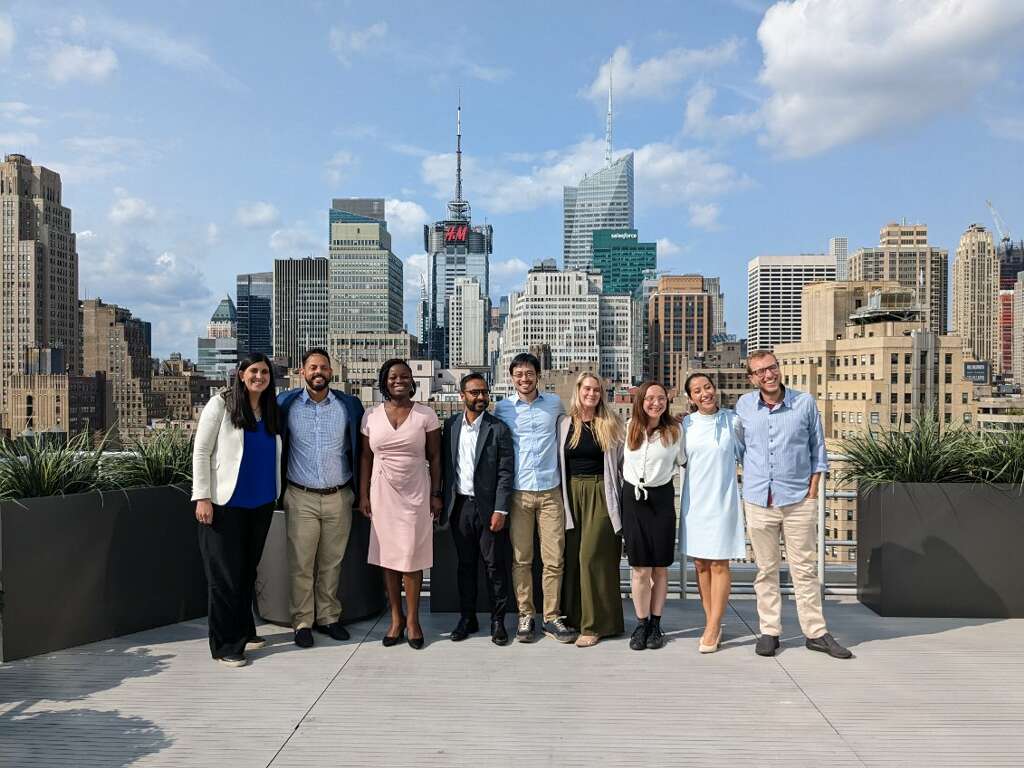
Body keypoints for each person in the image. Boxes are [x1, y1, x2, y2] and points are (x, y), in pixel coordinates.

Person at [735, 350, 852, 660]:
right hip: (759, 500)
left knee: (804, 570)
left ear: (779, 369)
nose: (767, 375)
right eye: (760, 371)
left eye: (771, 368)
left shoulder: (804, 403)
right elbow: (739, 447)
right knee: (766, 570)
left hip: (799, 499)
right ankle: (769, 632)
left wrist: (812, 491)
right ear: (752, 378)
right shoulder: (744, 406)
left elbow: (819, 449)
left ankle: (815, 633)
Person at [192, 352, 282, 668]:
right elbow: (201, 451)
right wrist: (202, 497)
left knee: (246, 571)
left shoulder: (271, 408)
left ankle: (245, 629)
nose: (259, 376)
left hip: (261, 502)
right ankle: (226, 645)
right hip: (224, 502)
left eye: (265, 372)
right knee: (225, 576)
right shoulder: (221, 404)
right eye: (253, 371)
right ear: (241, 374)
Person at [278, 348, 365, 649]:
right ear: (302, 371)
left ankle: (329, 617)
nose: (319, 372)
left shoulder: (349, 405)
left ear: (331, 372)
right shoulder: (285, 404)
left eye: (324, 367)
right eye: (313, 367)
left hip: (338, 496)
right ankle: (302, 622)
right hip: (300, 495)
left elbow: (362, 449)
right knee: (301, 564)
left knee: (332, 563)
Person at [494, 353, 576, 645]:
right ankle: (525, 616)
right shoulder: (502, 408)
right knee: (521, 560)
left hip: (551, 492)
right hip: (519, 493)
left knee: (554, 559)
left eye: (529, 373)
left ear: (538, 375)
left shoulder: (554, 404)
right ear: (511, 377)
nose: (524, 379)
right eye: (519, 374)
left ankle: (552, 617)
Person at [359, 359, 442, 650]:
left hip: (416, 492)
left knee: (412, 557)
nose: (399, 380)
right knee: (389, 558)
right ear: (384, 380)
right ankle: (395, 618)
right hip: (382, 492)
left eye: (405, 377)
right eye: (393, 376)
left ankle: (413, 621)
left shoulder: (425, 414)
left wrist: (436, 493)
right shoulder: (370, 415)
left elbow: (435, 457)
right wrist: (363, 495)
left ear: (412, 381)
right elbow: (366, 459)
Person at [441, 373, 515, 645]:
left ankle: (498, 621)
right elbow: (445, 468)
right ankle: (467, 617)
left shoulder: (499, 428)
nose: (481, 397)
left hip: (488, 509)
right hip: (460, 506)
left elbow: (506, 473)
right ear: (462, 396)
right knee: (465, 566)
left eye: (484, 392)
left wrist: (500, 509)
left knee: (495, 567)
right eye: (475, 392)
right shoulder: (450, 426)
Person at [557, 372, 625, 648]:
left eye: (597, 390)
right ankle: (575, 618)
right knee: (573, 557)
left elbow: (623, 464)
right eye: (587, 389)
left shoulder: (611, 423)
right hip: (570, 494)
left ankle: (593, 625)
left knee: (591, 557)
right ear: (578, 390)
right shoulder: (563, 424)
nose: (592, 394)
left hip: (601, 492)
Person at [680, 373, 746, 654]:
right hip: (695, 502)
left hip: (722, 501)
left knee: (720, 564)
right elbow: (680, 459)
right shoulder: (686, 424)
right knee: (700, 565)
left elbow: (747, 454)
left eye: (707, 387)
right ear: (690, 398)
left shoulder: (733, 421)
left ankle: (713, 625)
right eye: (697, 390)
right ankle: (713, 622)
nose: (704, 393)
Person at [621, 381, 685, 651]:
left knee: (659, 568)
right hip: (633, 500)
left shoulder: (675, 431)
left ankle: (656, 624)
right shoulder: (627, 429)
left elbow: (685, 463)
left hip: (660, 500)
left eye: (661, 398)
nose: (656, 403)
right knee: (639, 568)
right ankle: (641, 623)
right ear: (641, 401)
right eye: (650, 398)